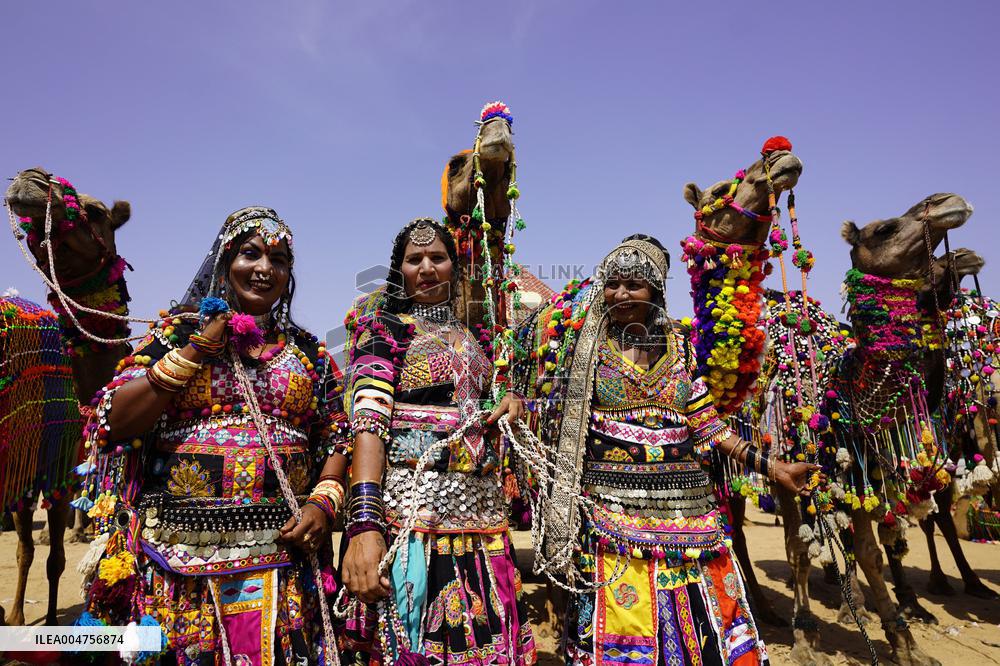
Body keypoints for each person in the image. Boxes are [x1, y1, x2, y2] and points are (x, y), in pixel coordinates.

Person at [519, 235, 818, 666]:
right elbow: (545, 396)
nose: (621, 294)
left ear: (656, 289)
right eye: (613, 283)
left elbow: (708, 424)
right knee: (620, 633)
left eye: (634, 285)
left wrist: (773, 468)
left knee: (705, 628)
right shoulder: (584, 348)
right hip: (611, 515)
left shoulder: (681, 345)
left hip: (688, 513)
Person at [78, 206, 349, 665]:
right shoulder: (177, 334)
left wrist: (322, 501)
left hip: (283, 557)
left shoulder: (308, 352)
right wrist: (198, 348)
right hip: (179, 562)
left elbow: (337, 436)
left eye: (279, 260)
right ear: (225, 262)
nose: (265, 269)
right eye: (251, 254)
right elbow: (112, 420)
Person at [339, 218, 537, 664]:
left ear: (454, 268)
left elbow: (487, 404)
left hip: (481, 527)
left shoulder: (476, 337)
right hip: (411, 526)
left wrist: (509, 401)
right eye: (415, 259)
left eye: (437, 257)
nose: (427, 267)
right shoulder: (384, 331)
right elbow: (369, 425)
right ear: (400, 271)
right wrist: (367, 523)